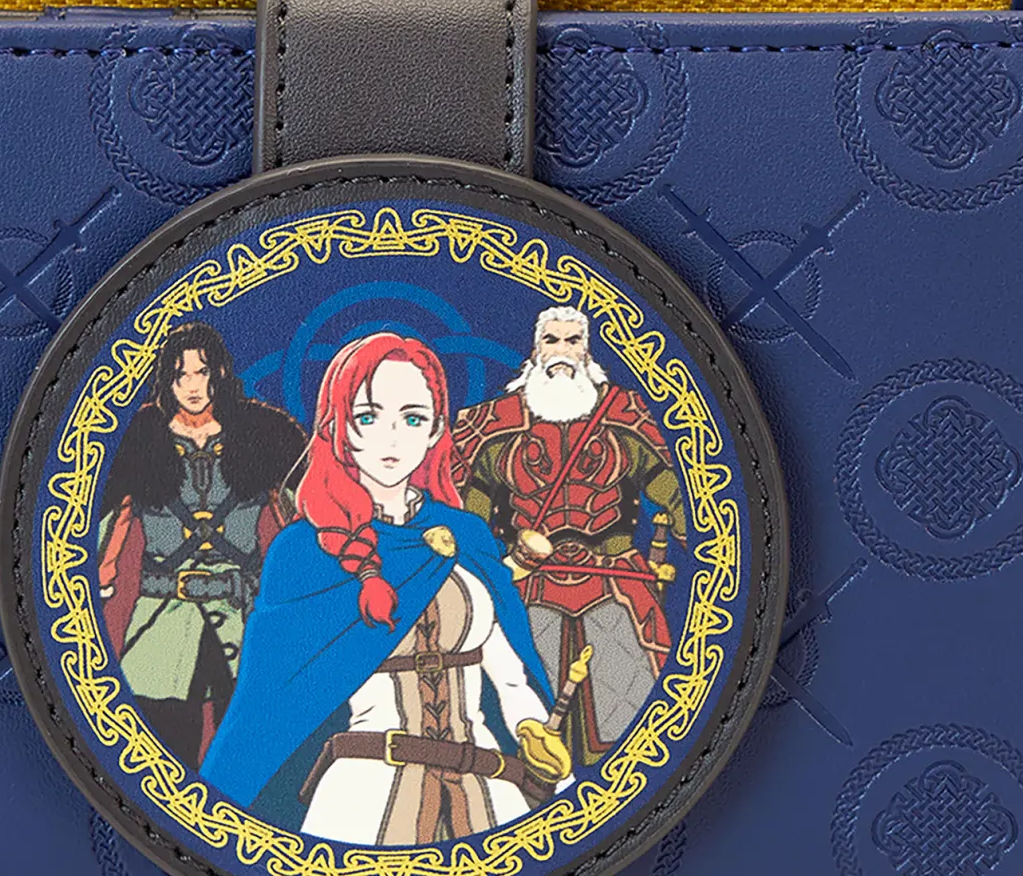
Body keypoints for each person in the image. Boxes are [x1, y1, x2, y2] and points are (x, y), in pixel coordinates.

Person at [200, 332, 570, 845]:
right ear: (338, 426)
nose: (391, 440)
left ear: (437, 429)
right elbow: (269, 702)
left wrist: (531, 728)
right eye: (368, 417)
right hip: (364, 792)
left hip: (486, 782)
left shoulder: (467, 537)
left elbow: (508, 675)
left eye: (413, 419)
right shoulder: (303, 552)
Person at [452, 305, 685, 769]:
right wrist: (475, 573)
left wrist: (703, 539)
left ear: (587, 349)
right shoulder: (494, 425)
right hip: (528, 588)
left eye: (572, 341)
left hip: (615, 583)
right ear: (536, 349)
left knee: (630, 718)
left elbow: (671, 488)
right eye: (552, 340)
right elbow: (469, 516)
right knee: (524, 717)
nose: (562, 351)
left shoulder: (623, 415)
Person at [96, 322, 305, 769]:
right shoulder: (140, 439)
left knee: (247, 756)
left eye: (201, 372)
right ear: (167, 381)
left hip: (244, 623)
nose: (192, 386)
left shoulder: (262, 434)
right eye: (181, 375)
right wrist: (101, 569)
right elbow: (114, 517)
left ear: (219, 374)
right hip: (163, 624)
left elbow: (299, 520)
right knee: (162, 753)